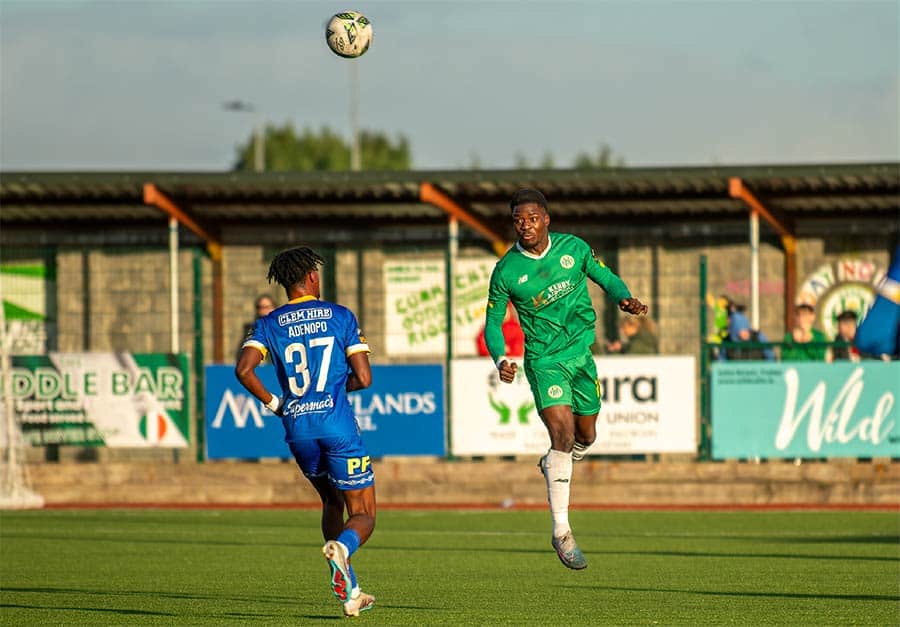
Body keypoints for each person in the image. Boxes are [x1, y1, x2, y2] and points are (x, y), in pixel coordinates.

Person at [483, 188, 648, 571]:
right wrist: (501, 358)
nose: (525, 225)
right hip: (544, 360)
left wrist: (625, 298)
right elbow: (492, 322)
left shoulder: (574, 248)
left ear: (546, 218)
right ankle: (561, 531)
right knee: (562, 435)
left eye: (532, 218)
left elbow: (605, 277)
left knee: (586, 436)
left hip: (581, 356)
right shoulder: (507, 270)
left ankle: (555, 463)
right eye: (518, 220)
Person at [235, 247, 376, 618]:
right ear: (312, 277)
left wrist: (276, 403)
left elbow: (244, 370)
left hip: (297, 427)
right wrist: (328, 390)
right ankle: (343, 549)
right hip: (336, 425)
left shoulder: (269, 323)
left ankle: (351, 592)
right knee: (363, 513)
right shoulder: (340, 316)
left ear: (283, 283)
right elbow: (363, 377)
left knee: (332, 501)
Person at [236, 294, 276, 362]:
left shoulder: (280, 329)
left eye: (267, 307)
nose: (264, 311)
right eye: (261, 307)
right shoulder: (252, 331)